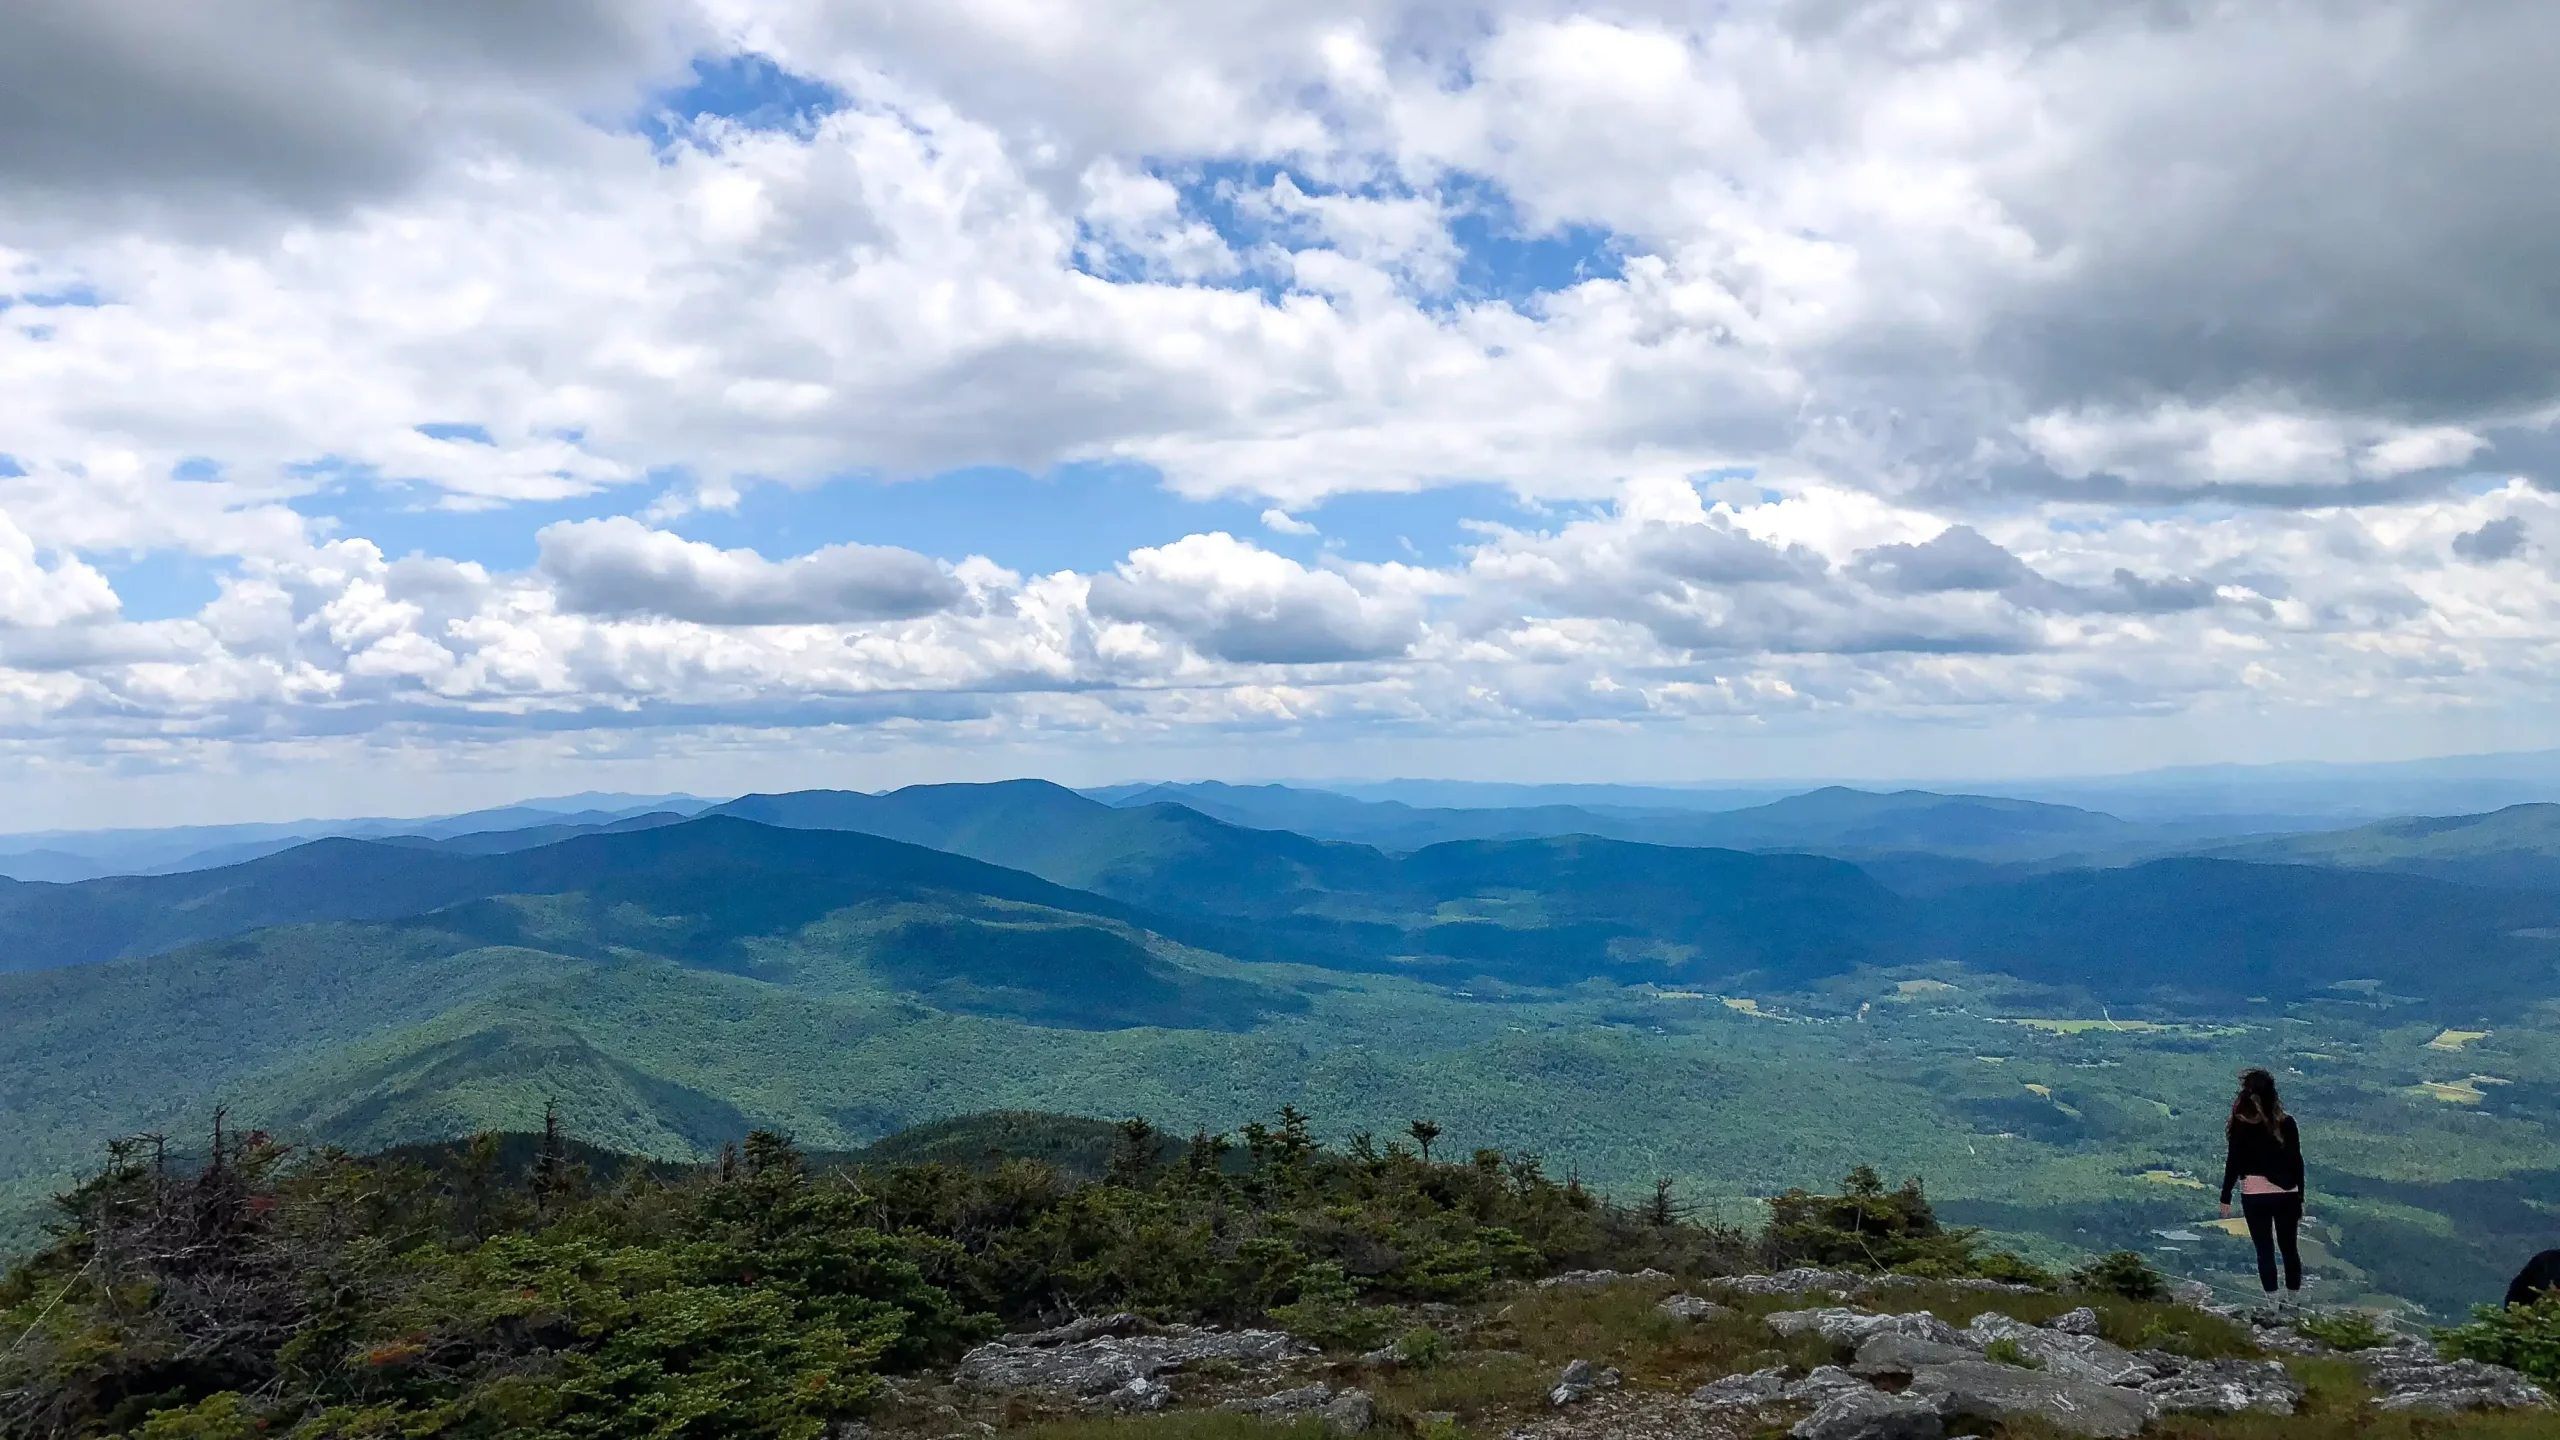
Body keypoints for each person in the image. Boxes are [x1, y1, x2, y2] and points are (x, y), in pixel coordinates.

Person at [2220, 1067, 2305, 1308]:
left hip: (2255, 1194)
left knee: (2264, 1249)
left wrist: (2225, 1196)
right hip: (2287, 1193)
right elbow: (2297, 1162)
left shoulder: (2241, 1126)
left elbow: (2233, 1162)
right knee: (2289, 1248)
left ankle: (2273, 1306)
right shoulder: (2287, 1124)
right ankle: (2294, 1303)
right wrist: (2300, 1196)